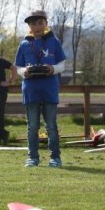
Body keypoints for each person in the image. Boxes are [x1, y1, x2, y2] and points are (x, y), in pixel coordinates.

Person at [15, 9, 66, 168]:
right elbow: (18, 67)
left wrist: (53, 69)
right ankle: (32, 158)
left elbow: (62, 65)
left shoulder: (54, 41)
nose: (37, 26)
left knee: (51, 126)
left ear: (46, 23)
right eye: (33, 23)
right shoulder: (23, 44)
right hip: (31, 90)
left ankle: (55, 158)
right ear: (29, 26)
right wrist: (25, 72)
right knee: (32, 127)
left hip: (49, 89)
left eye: (40, 22)